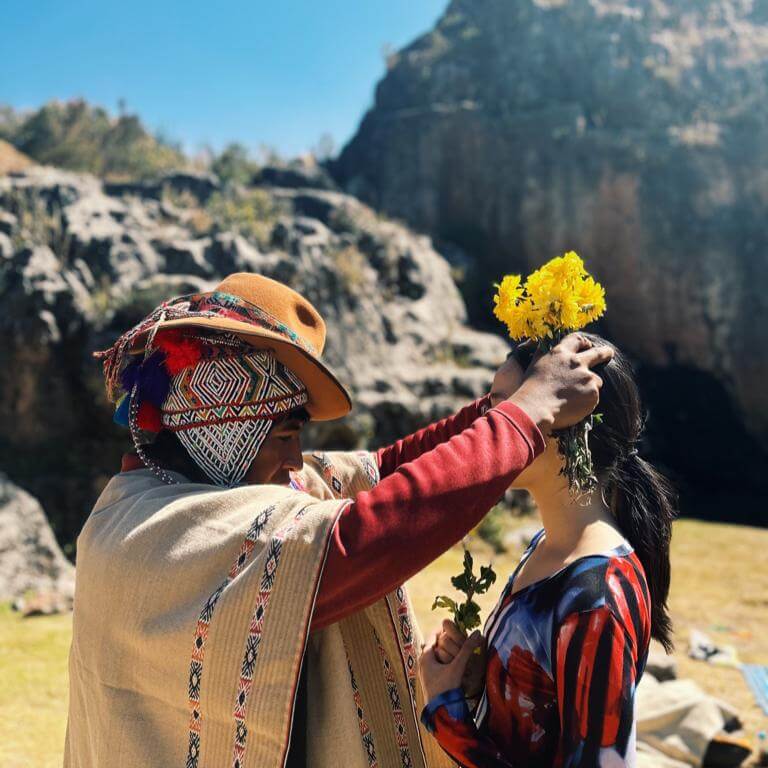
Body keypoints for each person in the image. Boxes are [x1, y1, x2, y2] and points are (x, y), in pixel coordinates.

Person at [64, 273, 612, 768]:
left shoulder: (228, 486)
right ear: (224, 427)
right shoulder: (153, 530)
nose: (296, 460)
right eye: (284, 435)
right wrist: (530, 411)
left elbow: (385, 469)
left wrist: (500, 405)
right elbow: (363, 537)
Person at [418, 336, 677, 768]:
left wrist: (448, 716)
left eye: (505, 404)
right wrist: (482, 685)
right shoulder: (549, 546)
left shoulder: (597, 600)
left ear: (567, 421)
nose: (485, 424)